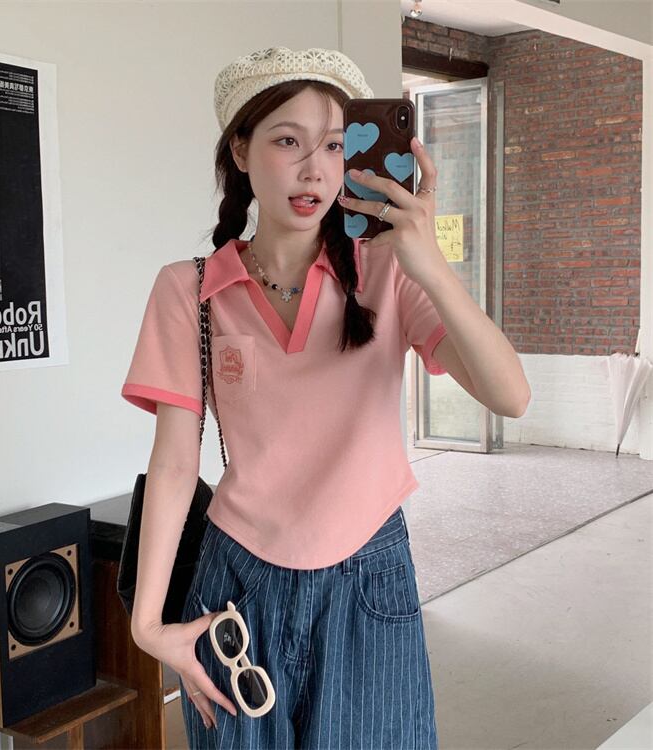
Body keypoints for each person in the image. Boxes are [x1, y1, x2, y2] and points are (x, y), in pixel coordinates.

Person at [122, 47, 531, 749]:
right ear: (241, 151)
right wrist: (148, 624)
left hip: (369, 578)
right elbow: (175, 464)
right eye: (288, 141)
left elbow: (511, 396)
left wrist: (431, 264)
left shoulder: (387, 272)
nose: (315, 169)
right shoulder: (187, 289)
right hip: (236, 585)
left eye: (335, 146)